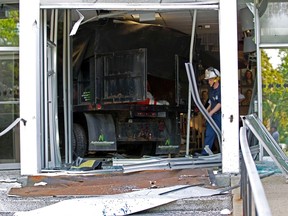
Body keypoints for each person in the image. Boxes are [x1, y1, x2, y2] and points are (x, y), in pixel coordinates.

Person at [197, 67, 221, 156]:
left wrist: (210, 113)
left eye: (210, 80)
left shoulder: (221, 89)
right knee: (209, 134)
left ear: (216, 79)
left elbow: (220, 104)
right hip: (213, 115)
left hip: (220, 115)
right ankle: (205, 153)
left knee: (223, 135)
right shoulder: (211, 90)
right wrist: (207, 111)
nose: (209, 82)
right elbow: (212, 102)